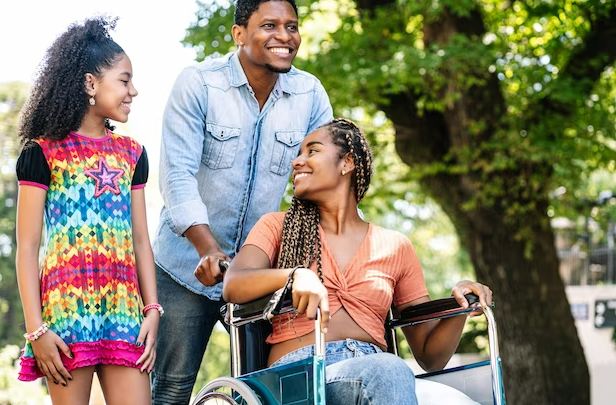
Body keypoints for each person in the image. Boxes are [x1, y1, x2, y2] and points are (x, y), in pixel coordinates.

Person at [223, 118, 493, 405]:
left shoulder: (395, 246)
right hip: (298, 378)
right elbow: (234, 284)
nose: (297, 162)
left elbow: (430, 357)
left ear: (347, 162)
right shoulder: (277, 227)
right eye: (299, 153)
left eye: (312, 151)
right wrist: (295, 275)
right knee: (389, 369)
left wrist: (461, 306)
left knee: (463, 400)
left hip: (380, 373)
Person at [150, 0, 333, 402]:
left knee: (267, 390)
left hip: (258, 274)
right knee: (169, 390)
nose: (284, 37)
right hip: (183, 270)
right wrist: (208, 249)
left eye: (292, 26)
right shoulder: (198, 83)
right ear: (238, 33)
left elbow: (323, 181)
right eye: (269, 25)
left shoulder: (310, 93)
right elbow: (176, 176)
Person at [14, 17, 160, 405]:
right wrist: (36, 330)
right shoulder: (42, 152)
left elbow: (142, 240)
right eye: (125, 80)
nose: (134, 91)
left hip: (125, 313)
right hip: (65, 316)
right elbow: (27, 248)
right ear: (90, 83)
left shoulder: (133, 154)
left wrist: (152, 310)